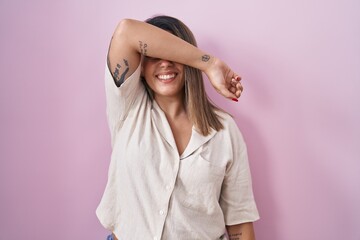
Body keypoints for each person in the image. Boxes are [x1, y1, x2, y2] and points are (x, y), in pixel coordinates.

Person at [96, 15, 260, 240]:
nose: (165, 62)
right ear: (141, 67)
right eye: (154, 55)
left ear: (187, 63)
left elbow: (239, 222)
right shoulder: (128, 106)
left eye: (174, 55)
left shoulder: (225, 130)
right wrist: (209, 63)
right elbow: (126, 31)